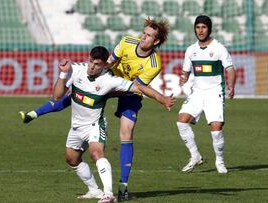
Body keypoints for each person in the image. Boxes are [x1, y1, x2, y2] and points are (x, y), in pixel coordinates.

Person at [19, 17, 170, 201]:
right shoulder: (127, 41)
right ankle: (34, 114)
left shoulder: (154, 64)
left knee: (126, 131)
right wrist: (95, 76)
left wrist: (160, 98)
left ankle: (122, 185)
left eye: (148, 36)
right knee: (76, 99)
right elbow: (109, 62)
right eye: (143, 33)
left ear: (156, 41)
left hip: (127, 90)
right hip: (110, 77)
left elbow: (137, 87)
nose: (143, 37)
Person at [54, 46, 175, 203]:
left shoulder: (110, 80)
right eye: (91, 61)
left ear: (105, 65)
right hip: (76, 126)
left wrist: (162, 98)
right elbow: (57, 96)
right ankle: (94, 190)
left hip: (94, 125)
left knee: (96, 153)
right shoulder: (76, 69)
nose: (92, 66)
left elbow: (139, 87)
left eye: (97, 64)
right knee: (71, 159)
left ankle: (108, 194)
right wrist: (63, 73)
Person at [177, 15, 236, 174]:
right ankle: (195, 156)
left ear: (209, 29)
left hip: (214, 93)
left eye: (203, 27)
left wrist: (231, 86)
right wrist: (184, 78)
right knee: (182, 121)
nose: (200, 30)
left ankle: (220, 161)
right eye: (198, 27)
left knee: (216, 130)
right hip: (197, 93)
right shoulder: (191, 50)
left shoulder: (219, 48)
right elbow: (186, 71)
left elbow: (230, 69)